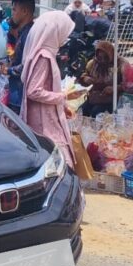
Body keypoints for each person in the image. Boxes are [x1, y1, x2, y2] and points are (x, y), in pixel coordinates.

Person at [20, 12, 85, 164]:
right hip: (45, 124)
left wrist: (62, 106)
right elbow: (34, 91)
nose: (66, 38)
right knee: (62, 165)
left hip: (46, 119)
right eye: (64, 31)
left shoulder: (45, 54)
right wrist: (63, 97)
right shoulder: (44, 57)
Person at [6, 0, 36, 114]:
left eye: (14, 10)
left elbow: (27, 66)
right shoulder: (21, 33)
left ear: (24, 12)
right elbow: (15, 56)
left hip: (21, 96)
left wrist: (8, 70)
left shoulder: (29, 34)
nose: (12, 13)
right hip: (16, 94)